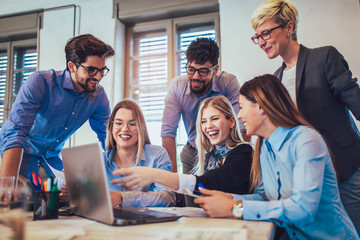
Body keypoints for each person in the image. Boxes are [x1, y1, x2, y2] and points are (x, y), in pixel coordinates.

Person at [194, 75, 359, 239]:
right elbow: (265, 197)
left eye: (242, 107)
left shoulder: (306, 140)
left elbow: (303, 209)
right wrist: (230, 198)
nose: (238, 116)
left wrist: (235, 207)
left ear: (261, 107)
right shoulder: (265, 146)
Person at [250, 0, 360, 233]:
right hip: (306, 180)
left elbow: (357, 103)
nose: (260, 42)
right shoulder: (275, 79)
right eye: (256, 36)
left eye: (266, 33)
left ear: (289, 28)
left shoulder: (324, 58)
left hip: (346, 170)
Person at [0, 34, 114, 185]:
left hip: (50, 161)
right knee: (14, 205)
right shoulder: (41, 82)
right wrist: (6, 187)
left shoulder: (98, 97)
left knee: (64, 203)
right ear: (72, 66)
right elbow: (16, 132)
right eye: (92, 70)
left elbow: (108, 137)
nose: (98, 77)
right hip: (13, 157)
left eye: (102, 70)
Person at [110, 96, 252, 200]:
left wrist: (154, 175)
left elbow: (209, 182)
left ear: (232, 121)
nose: (208, 126)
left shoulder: (244, 152)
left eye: (214, 119)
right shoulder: (210, 157)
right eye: (203, 121)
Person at [161, 37, 247, 174]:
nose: (195, 76)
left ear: (215, 69)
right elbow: (168, 132)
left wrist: (241, 158)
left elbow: (241, 125)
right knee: (191, 191)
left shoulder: (228, 82)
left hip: (225, 152)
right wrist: (172, 175)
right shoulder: (177, 86)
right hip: (193, 152)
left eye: (203, 71)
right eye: (191, 69)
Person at [105, 100, 175, 207]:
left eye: (132, 124)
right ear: (111, 127)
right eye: (119, 123)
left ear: (140, 127)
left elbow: (167, 198)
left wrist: (123, 199)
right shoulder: (100, 160)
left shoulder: (157, 155)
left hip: (147, 221)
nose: (124, 129)